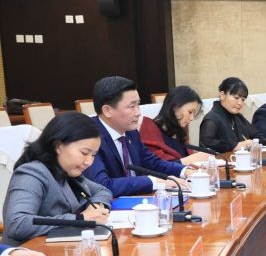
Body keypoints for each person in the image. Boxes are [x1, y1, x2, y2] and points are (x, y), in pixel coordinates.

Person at [2, 112, 112, 245]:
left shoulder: (65, 170)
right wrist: (81, 218)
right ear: (58, 146)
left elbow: (102, 191)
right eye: (84, 153)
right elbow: (17, 223)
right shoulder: (32, 173)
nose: (89, 162)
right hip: (28, 251)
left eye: (93, 155)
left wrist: (96, 208)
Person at [83, 76, 191, 197]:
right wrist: (154, 182)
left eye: (138, 105)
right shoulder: (89, 136)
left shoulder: (131, 131)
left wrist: (185, 171)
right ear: (107, 110)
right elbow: (103, 185)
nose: (138, 113)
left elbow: (153, 163)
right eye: (132, 106)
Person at [139, 85, 209, 164]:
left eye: (193, 113)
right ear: (175, 106)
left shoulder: (180, 132)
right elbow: (156, 165)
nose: (192, 118)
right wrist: (188, 160)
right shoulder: (150, 131)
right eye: (190, 112)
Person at [199, 77, 258, 153]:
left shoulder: (238, 117)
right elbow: (207, 143)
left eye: (243, 99)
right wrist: (235, 145)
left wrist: (253, 142)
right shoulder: (211, 119)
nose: (240, 103)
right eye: (236, 98)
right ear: (222, 95)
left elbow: (258, 135)